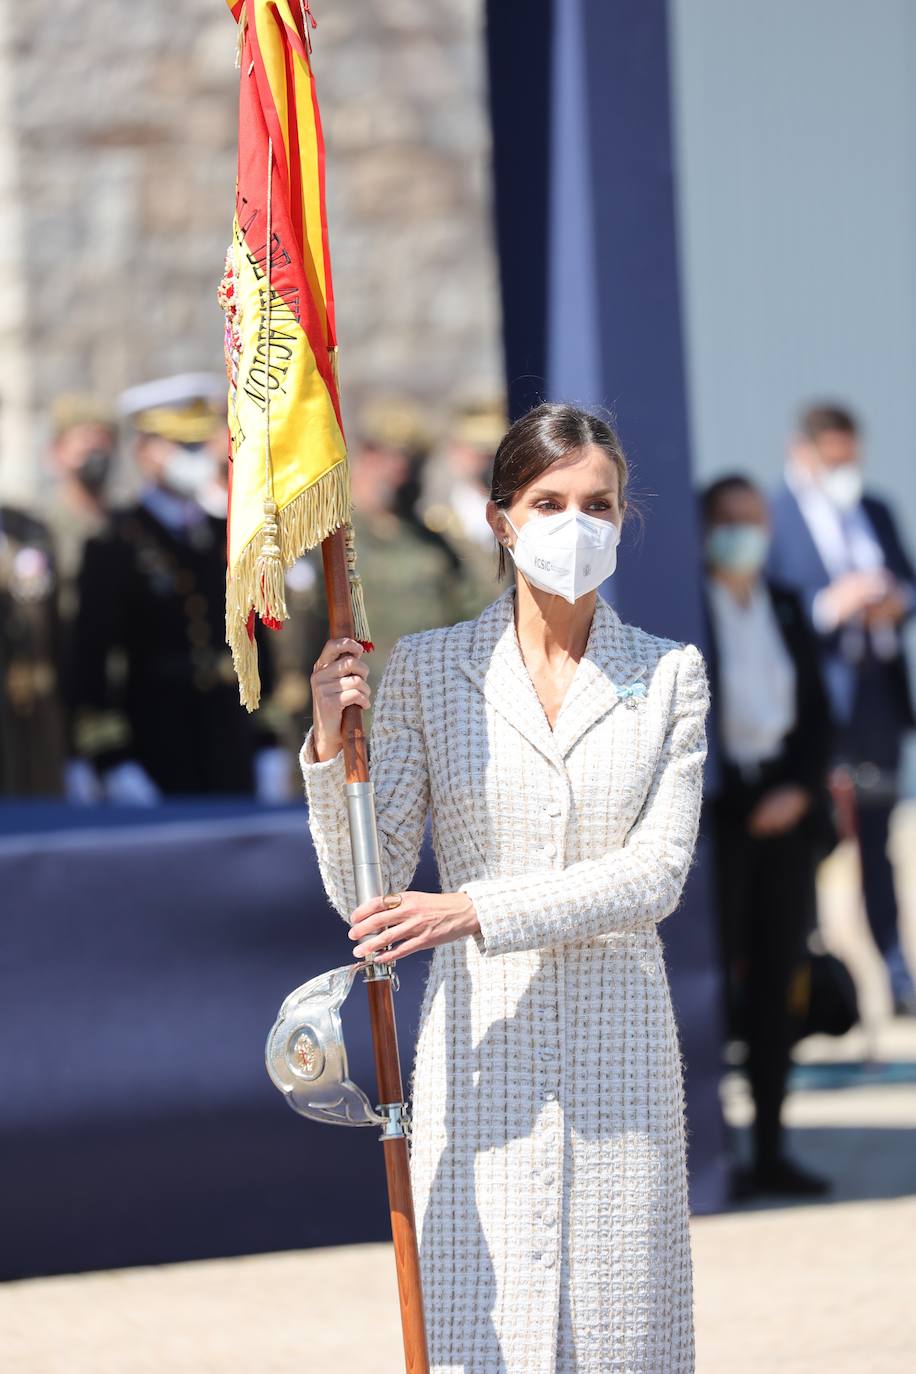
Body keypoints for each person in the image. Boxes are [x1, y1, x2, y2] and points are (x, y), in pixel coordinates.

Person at [301, 403, 708, 1372]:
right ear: (500, 518)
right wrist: (327, 742)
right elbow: (369, 882)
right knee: (484, 1339)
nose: (577, 524)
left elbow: (654, 877)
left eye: (598, 504)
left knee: (623, 1341)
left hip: (622, 1061)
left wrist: (475, 908)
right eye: (550, 500)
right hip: (479, 1064)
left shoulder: (667, 676)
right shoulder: (431, 668)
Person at [701, 475, 833, 1198]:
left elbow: (817, 710)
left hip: (786, 809)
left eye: (753, 522)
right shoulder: (693, 604)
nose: (742, 535)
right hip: (722, 811)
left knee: (780, 980)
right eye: (728, 522)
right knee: (718, 981)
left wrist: (797, 790)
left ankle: (775, 1147)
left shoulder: (783, 603)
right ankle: (721, 1154)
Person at [69, 373, 284, 801]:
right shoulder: (114, 543)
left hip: (228, 742)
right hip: (156, 743)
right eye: (180, 445)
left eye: (196, 443)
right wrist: (112, 759)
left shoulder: (228, 535)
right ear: (144, 452)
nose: (195, 456)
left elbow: (257, 643)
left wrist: (268, 743)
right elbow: (90, 659)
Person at [767, 403, 916, 1014]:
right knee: (816, 842)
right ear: (803, 452)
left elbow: (906, 583)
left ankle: (894, 968)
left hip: (876, 702)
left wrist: (890, 601)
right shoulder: (776, 519)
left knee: (877, 841)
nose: (845, 467)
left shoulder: (873, 510)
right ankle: (811, 980)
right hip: (818, 710)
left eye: (851, 456)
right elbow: (781, 607)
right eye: (833, 457)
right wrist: (835, 604)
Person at [420, 395, 512, 617]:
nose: (488, 462)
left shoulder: (517, 510)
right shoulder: (431, 513)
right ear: (455, 450)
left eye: (495, 452)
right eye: (479, 451)